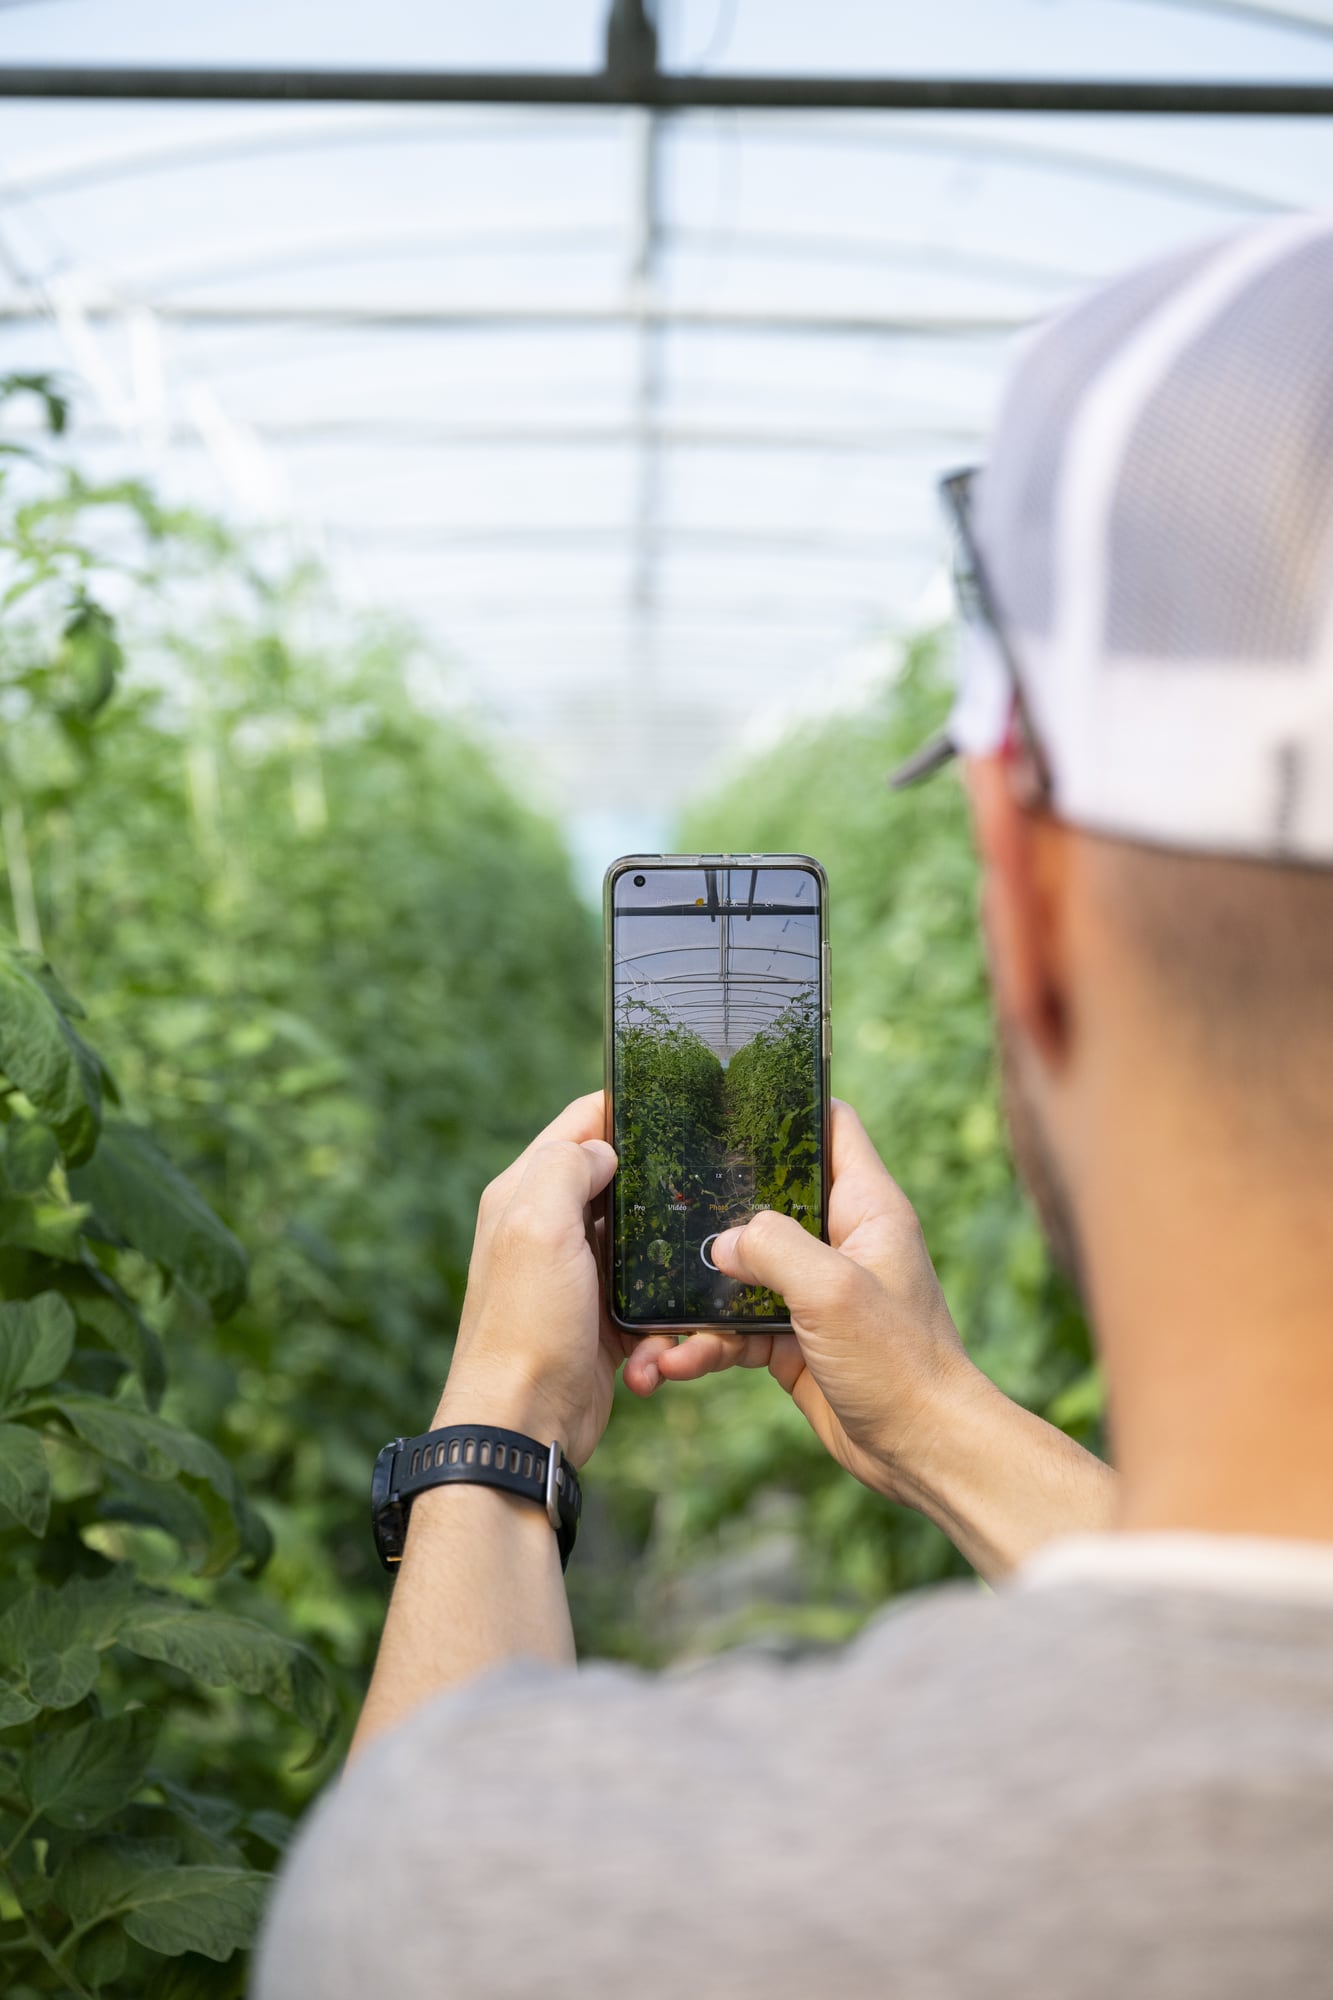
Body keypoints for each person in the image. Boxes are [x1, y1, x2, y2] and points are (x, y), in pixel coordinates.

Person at [255, 213, 1333, 1999]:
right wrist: (931, 1419)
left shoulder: (579, 1906)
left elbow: (393, 1892)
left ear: (1031, 897)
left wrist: (499, 1420)